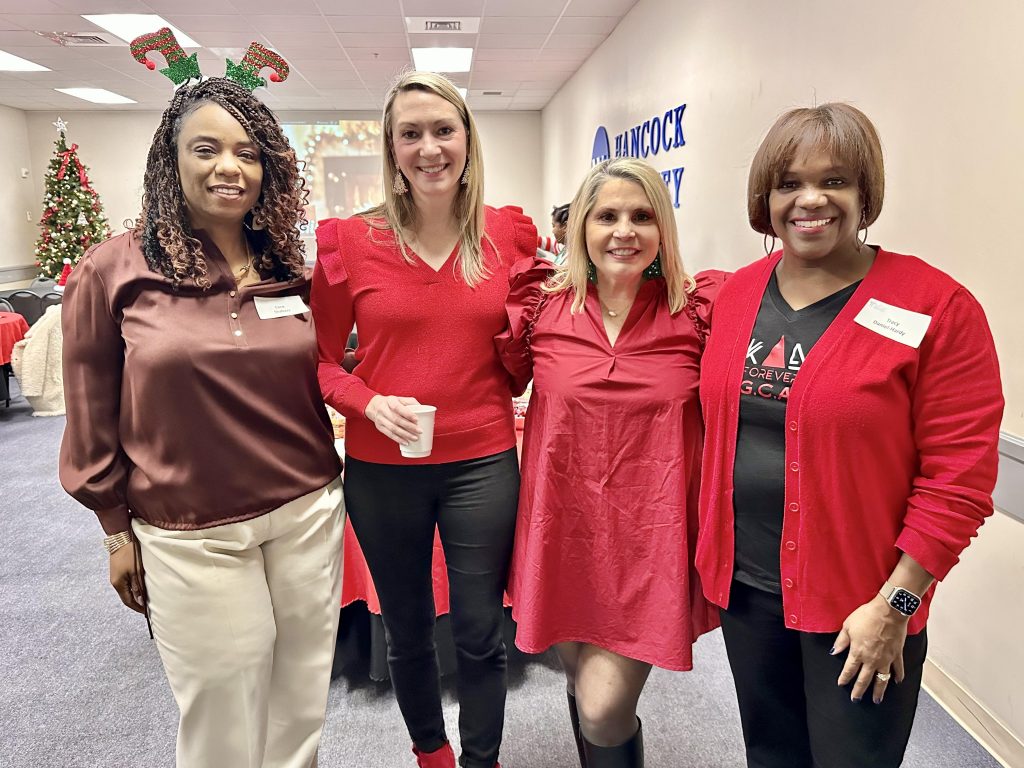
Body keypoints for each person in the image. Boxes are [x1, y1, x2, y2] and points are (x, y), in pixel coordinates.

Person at [696, 103, 1003, 768]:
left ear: (865, 193)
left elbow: (959, 481)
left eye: (834, 180)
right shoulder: (735, 297)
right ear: (766, 199)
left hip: (863, 607)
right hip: (748, 592)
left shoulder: (935, 306)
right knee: (771, 755)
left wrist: (896, 605)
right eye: (789, 183)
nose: (810, 200)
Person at [59, 74, 345, 768]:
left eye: (248, 153)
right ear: (173, 158)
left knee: (298, 708)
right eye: (207, 149)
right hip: (191, 528)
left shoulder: (287, 264)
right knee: (222, 712)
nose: (229, 167)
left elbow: (326, 369)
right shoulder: (113, 269)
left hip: (307, 511)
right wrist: (113, 530)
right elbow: (90, 410)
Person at [310, 71, 537, 768]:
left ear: (468, 138)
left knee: (480, 630)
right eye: (410, 134)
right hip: (384, 469)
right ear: (391, 147)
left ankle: (482, 761)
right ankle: (430, 755)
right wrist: (368, 402)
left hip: (483, 461)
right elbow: (318, 362)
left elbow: (522, 355)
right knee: (407, 630)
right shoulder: (350, 241)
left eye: (443, 130)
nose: (429, 148)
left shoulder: (508, 234)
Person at [496, 157, 723, 767]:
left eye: (642, 216)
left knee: (602, 706)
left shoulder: (698, 312)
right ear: (582, 228)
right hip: (560, 536)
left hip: (650, 542)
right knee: (578, 681)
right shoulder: (542, 308)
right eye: (607, 216)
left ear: (662, 228)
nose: (624, 231)